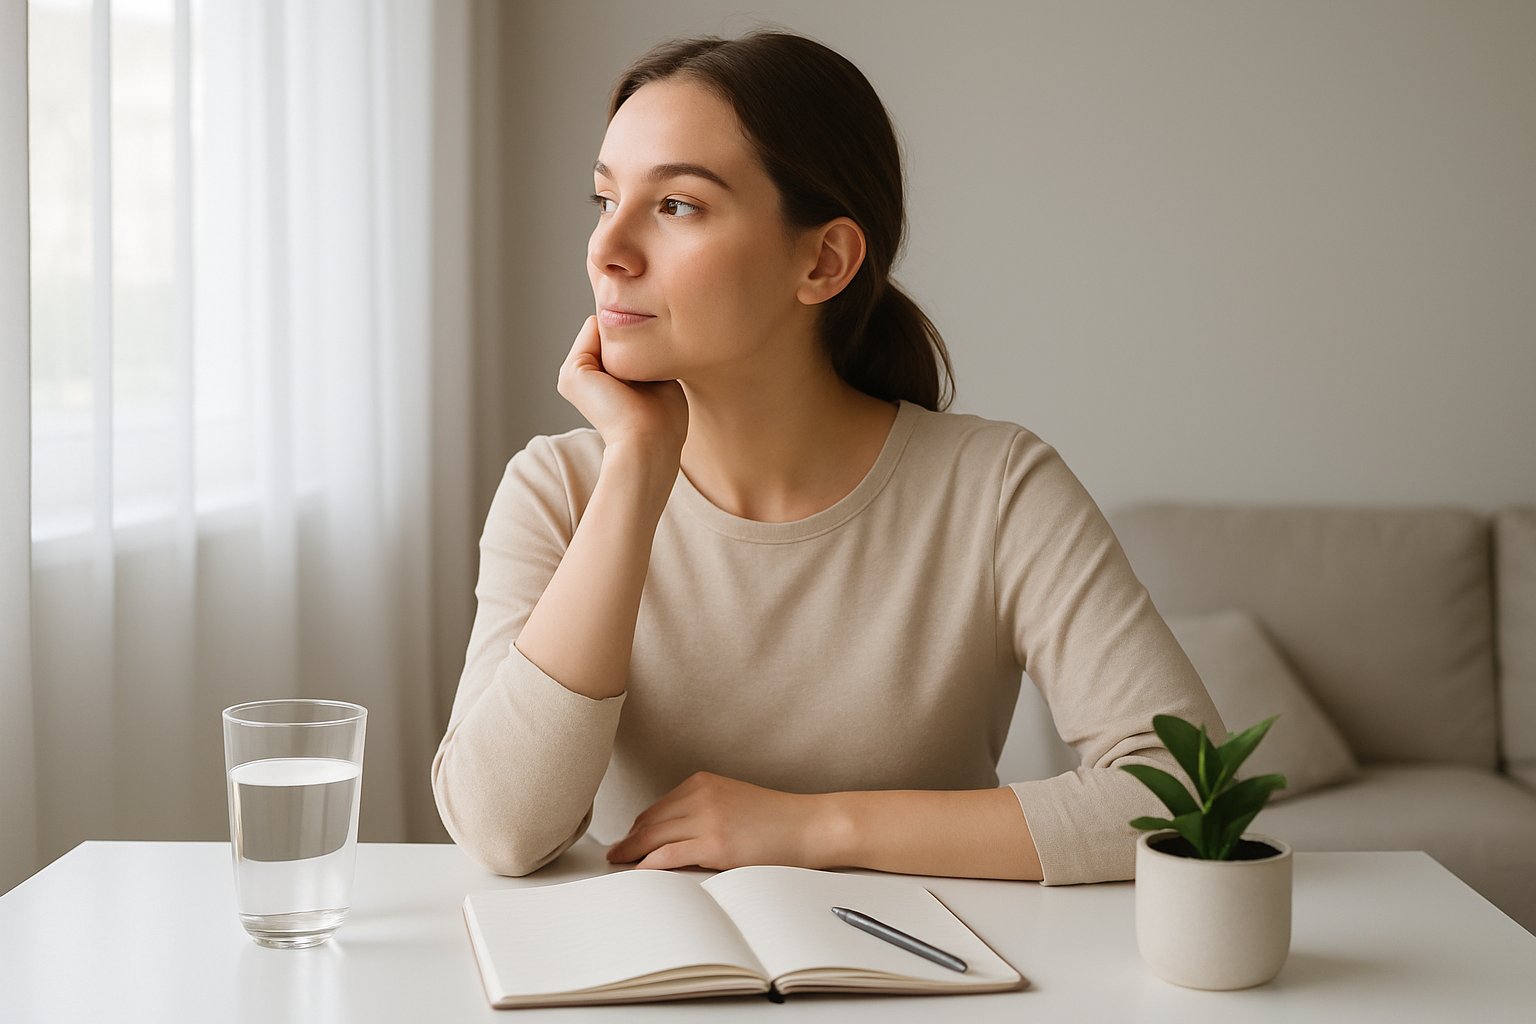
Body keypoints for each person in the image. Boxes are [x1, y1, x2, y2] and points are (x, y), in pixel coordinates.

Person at [431, 29, 1224, 885]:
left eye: (677, 206)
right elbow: (501, 831)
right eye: (603, 199)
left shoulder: (996, 488)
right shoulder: (558, 489)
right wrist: (634, 471)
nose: (607, 250)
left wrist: (810, 829)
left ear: (824, 261)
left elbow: (1190, 794)